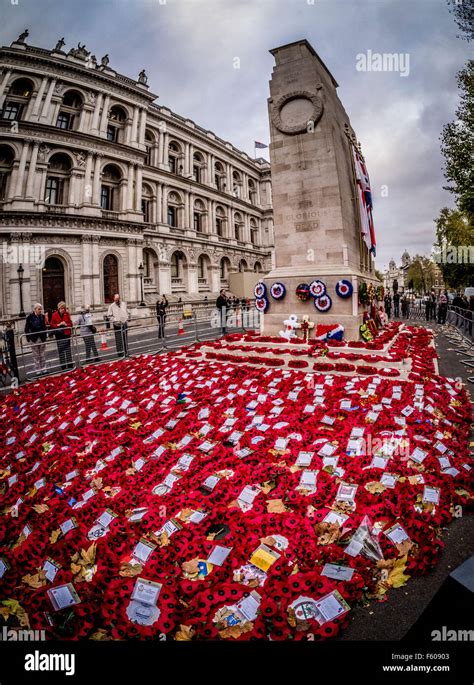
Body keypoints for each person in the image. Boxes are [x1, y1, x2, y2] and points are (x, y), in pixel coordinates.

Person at [24, 303, 48, 375]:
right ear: (35, 309)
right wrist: (28, 338)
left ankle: (44, 369)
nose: (40, 310)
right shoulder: (30, 317)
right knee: (36, 355)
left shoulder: (43, 316)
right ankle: (38, 370)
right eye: (39, 309)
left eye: (41, 309)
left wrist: (45, 335)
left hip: (42, 338)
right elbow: (26, 328)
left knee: (42, 354)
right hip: (34, 338)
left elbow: (44, 327)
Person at [50, 301, 73, 370]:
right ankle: (63, 366)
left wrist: (66, 324)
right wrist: (58, 325)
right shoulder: (54, 314)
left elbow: (71, 324)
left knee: (68, 350)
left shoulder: (67, 314)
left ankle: (70, 365)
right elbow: (51, 324)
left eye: (64, 308)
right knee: (61, 350)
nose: (63, 310)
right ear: (58, 308)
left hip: (66, 334)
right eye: (61, 308)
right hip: (59, 335)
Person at [107, 293, 130, 357]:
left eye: (118, 298)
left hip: (124, 323)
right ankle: (120, 353)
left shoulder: (123, 304)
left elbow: (127, 311)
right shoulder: (111, 306)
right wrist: (115, 320)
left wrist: (127, 317)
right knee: (118, 339)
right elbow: (109, 316)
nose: (117, 300)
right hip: (117, 325)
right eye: (116, 299)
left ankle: (126, 351)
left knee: (125, 338)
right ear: (114, 299)